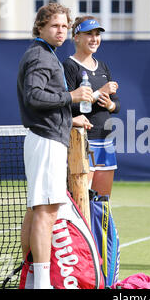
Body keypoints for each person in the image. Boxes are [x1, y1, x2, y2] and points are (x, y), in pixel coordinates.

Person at [17, 3, 93, 289]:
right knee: (46, 212)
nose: (61, 31)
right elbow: (34, 97)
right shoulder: (40, 56)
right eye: (54, 26)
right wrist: (71, 96)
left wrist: (70, 120)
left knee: (36, 211)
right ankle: (41, 283)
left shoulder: (44, 54)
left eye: (64, 26)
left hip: (47, 137)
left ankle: (33, 278)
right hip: (46, 142)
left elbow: (44, 100)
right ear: (40, 27)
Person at [63, 16, 120, 197]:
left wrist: (110, 104)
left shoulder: (103, 66)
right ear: (76, 37)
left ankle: (101, 228)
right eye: (89, 34)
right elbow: (67, 106)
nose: (94, 38)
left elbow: (116, 105)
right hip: (82, 141)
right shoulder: (69, 66)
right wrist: (98, 94)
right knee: (82, 201)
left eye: (97, 34)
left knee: (102, 202)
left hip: (106, 142)